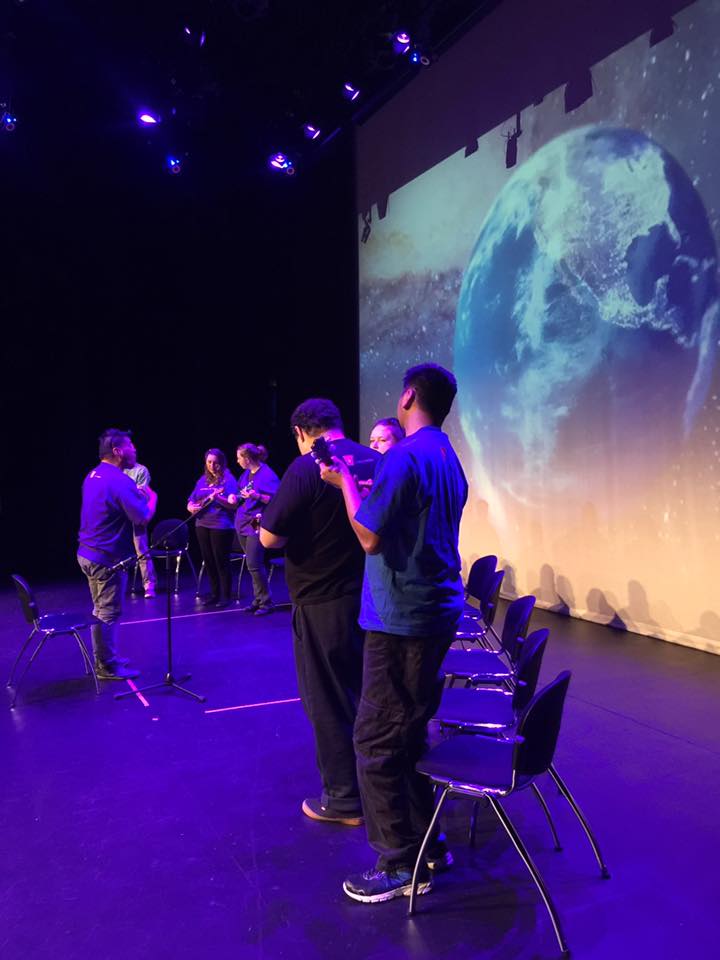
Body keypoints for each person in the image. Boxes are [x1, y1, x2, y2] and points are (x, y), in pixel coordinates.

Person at [320, 363, 468, 903]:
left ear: (408, 397)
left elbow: (368, 536)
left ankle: (401, 863)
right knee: (408, 733)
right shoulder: (446, 454)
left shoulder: (404, 455)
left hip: (402, 618)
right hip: (431, 611)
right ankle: (430, 844)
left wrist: (344, 483)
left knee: (376, 739)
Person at [260, 399, 380, 826]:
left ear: (300, 432)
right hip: (368, 598)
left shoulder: (306, 466)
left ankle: (344, 799)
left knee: (327, 702)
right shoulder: (373, 459)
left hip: (321, 601)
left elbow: (269, 539)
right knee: (364, 696)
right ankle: (375, 788)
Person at [77, 428, 158, 680]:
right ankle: (106, 666)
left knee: (100, 610)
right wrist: (152, 497)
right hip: (106, 557)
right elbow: (142, 517)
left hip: (88, 552)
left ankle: (106, 657)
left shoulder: (93, 474)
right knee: (107, 612)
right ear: (118, 451)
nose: (135, 449)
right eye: (130, 445)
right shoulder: (119, 480)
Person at [231, 442, 280, 616]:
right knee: (252, 564)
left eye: (239, 458)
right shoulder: (246, 474)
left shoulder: (266, 474)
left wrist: (257, 496)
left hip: (257, 521)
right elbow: (241, 493)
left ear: (247, 458)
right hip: (243, 521)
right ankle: (258, 599)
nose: (237, 461)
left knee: (254, 563)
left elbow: (275, 499)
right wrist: (235, 497)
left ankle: (266, 601)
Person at [187, 449, 238, 609]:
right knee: (208, 560)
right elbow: (191, 499)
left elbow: (233, 504)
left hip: (221, 525)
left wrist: (218, 497)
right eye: (209, 462)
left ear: (222, 463)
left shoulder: (228, 480)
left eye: (215, 462)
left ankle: (226, 595)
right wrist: (190, 507)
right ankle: (215, 593)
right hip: (202, 524)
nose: (212, 465)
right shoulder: (203, 480)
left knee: (221, 560)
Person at [124, 459, 157, 598]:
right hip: (119, 517)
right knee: (116, 552)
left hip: (136, 516)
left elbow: (141, 495)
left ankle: (149, 585)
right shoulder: (116, 470)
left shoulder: (140, 470)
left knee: (142, 551)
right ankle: (116, 585)